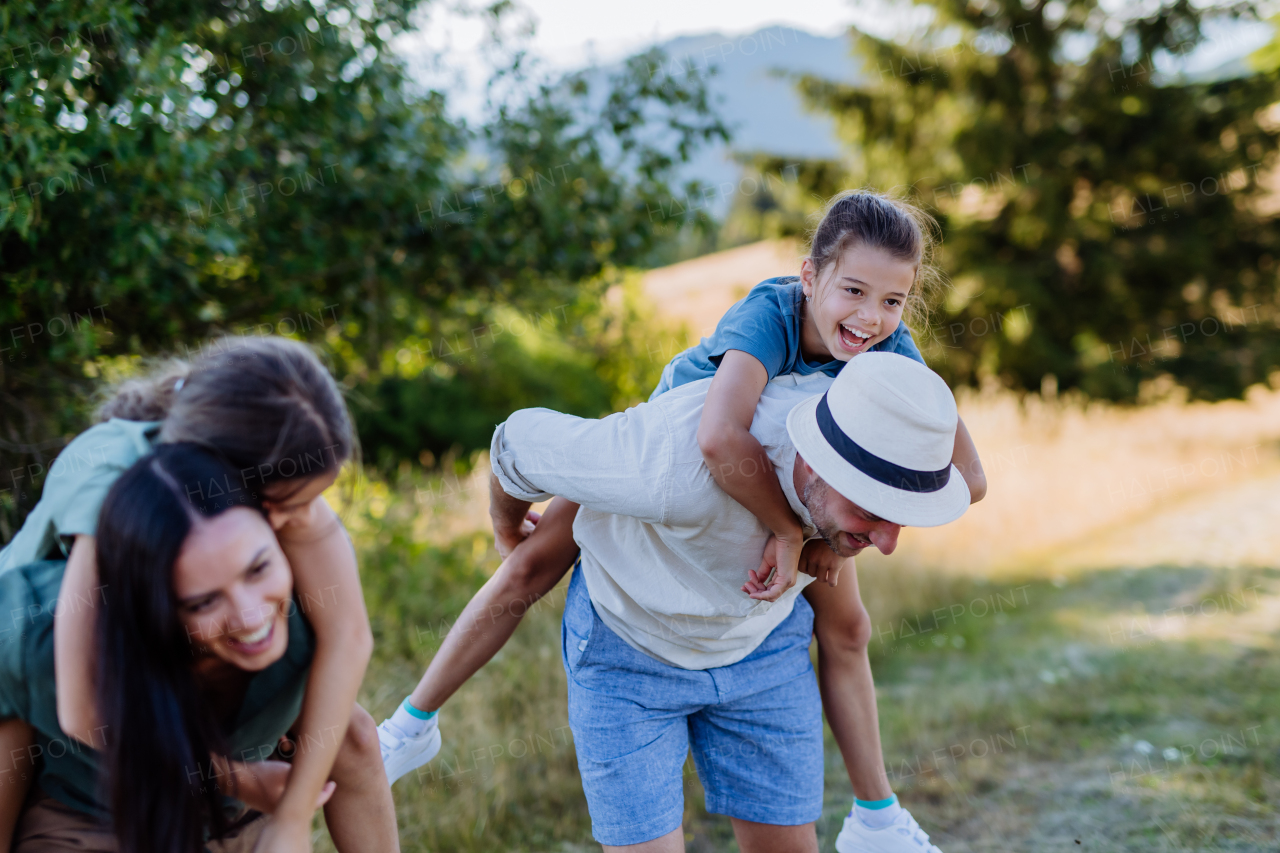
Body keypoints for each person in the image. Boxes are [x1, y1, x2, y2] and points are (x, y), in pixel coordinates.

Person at [378, 191, 983, 850]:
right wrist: (787, 530)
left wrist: (835, 540)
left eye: (892, 302)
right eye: (855, 292)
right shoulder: (769, 316)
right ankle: (414, 721)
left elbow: (965, 479)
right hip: (674, 439)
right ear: (810, 277)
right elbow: (719, 437)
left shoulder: (890, 354)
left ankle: (878, 816)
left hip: (780, 533)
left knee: (849, 623)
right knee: (531, 563)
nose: (871, 317)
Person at [0, 337, 387, 853]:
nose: (299, 523)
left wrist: (292, 818)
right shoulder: (111, 491)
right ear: (224, 474)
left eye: (314, 499)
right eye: (282, 507)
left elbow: (349, 634)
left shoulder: (279, 481)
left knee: (350, 731)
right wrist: (238, 779)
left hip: (187, 639)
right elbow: (81, 707)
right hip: (36, 660)